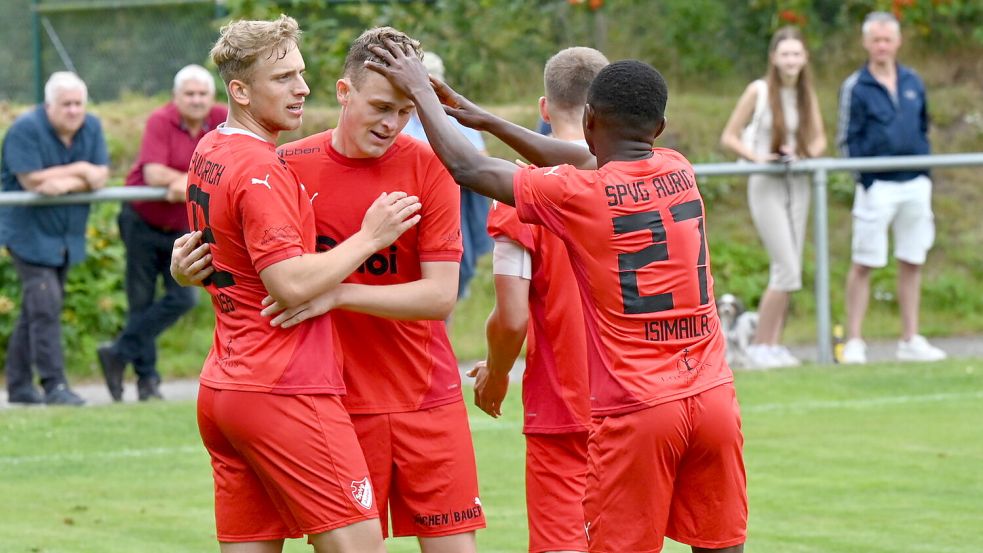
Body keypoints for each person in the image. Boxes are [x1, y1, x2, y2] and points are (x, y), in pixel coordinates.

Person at [366, 44, 747, 553]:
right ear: (658, 128)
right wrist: (487, 120)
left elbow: (468, 169)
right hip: (713, 397)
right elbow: (587, 157)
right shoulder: (679, 169)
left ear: (589, 118)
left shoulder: (579, 195)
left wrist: (420, 89)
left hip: (639, 410)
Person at [175, 27, 485, 553]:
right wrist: (189, 266)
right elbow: (273, 273)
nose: (392, 124)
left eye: (407, 111)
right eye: (381, 106)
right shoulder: (283, 164)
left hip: (421, 396)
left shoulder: (429, 169)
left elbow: (439, 297)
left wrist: (339, 293)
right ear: (345, 93)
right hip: (324, 396)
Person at [468, 46, 607, 553]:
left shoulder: (524, 193)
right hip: (633, 397)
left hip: (565, 402)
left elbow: (511, 316)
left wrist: (497, 373)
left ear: (544, 108)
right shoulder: (636, 181)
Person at [96, 64, 228, 402]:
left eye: (202, 93)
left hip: (183, 224)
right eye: (190, 94)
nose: (197, 100)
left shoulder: (222, 118)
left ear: (212, 96)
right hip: (141, 222)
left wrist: (184, 182)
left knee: (183, 296)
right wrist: (188, 180)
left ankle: (118, 353)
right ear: (176, 97)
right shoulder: (159, 120)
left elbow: (230, 165)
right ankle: (148, 383)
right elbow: (154, 173)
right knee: (140, 302)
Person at [837, 11, 945, 364]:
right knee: (865, 261)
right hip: (877, 185)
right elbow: (846, 137)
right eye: (876, 40)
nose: (882, 46)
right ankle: (854, 340)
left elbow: (923, 127)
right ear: (866, 43)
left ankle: (910, 338)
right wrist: (864, 180)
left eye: (888, 39)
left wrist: (925, 173)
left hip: (915, 182)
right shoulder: (857, 85)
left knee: (912, 259)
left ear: (897, 42)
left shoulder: (914, 80)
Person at [720, 26, 826, 369]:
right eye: (785, 54)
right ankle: (761, 345)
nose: (791, 60)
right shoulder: (759, 90)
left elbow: (820, 139)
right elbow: (730, 136)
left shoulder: (806, 93)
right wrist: (758, 158)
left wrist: (802, 153)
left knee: (791, 268)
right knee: (786, 267)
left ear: (805, 57)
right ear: (774, 58)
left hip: (796, 182)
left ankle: (772, 343)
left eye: (797, 54)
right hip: (765, 181)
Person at [0, 71, 109, 406]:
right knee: (45, 306)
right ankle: (55, 386)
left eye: (78, 103)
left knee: (37, 309)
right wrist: (82, 172)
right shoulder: (25, 129)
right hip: (28, 235)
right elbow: (33, 182)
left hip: (65, 236)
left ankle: (18, 385)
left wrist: (67, 178)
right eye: (66, 104)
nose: (74, 110)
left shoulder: (91, 127)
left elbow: (101, 175)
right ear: (49, 106)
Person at [401, 50, 493, 301]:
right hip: (408, 204)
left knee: (452, 270)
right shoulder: (400, 117)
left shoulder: (453, 117)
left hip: (450, 200)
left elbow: (480, 160)